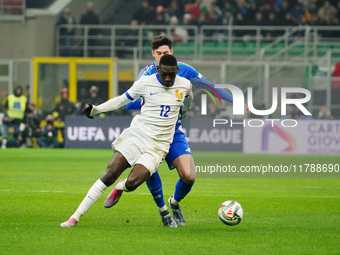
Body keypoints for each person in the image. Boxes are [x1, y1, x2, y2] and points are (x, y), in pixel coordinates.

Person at [119, 35, 250, 227]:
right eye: (159, 53)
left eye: (166, 53)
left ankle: (174, 202)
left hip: (173, 131)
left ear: (171, 53)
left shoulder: (185, 71)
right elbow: (129, 104)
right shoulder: (145, 75)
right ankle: (163, 211)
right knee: (148, 169)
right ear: (153, 54)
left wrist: (236, 101)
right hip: (149, 133)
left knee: (189, 175)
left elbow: (210, 88)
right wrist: (149, 98)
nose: (162, 56)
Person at [60, 54, 192, 228]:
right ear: (158, 69)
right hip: (138, 135)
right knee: (110, 173)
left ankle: (120, 187)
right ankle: (74, 217)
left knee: (133, 182)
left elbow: (188, 99)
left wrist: (184, 112)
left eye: (172, 74)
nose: (168, 78)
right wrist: (97, 109)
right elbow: (121, 101)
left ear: (177, 71)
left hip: (159, 145)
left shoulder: (185, 84)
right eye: (164, 74)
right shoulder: (145, 82)